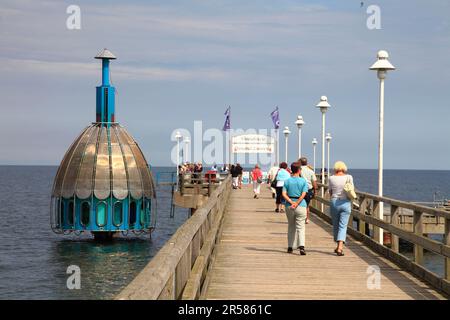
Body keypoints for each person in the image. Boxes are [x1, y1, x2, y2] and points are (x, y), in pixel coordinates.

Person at [328, 161, 355, 256]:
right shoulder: (349, 177)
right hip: (346, 202)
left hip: (334, 202)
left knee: (335, 224)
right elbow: (352, 189)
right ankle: (340, 247)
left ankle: (338, 245)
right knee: (343, 225)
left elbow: (330, 191)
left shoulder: (331, 178)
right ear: (344, 168)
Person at [282, 162, 308, 255]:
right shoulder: (303, 181)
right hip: (301, 205)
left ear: (292, 170)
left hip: (289, 205)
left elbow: (284, 194)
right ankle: (301, 247)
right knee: (301, 227)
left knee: (291, 226)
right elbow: (303, 194)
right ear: (299, 170)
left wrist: (291, 202)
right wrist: (296, 203)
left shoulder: (287, 181)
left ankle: (290, 247)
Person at [299, 157, 317, 224]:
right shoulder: (311, 171)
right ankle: (306, 219)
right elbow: (314, 182)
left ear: (300, 162)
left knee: (299, 204)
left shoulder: (299, 170)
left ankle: (300, 218)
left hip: (300, 190)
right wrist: (315, 191)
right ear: (306, 163)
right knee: (307, 205)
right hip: (308, 189)